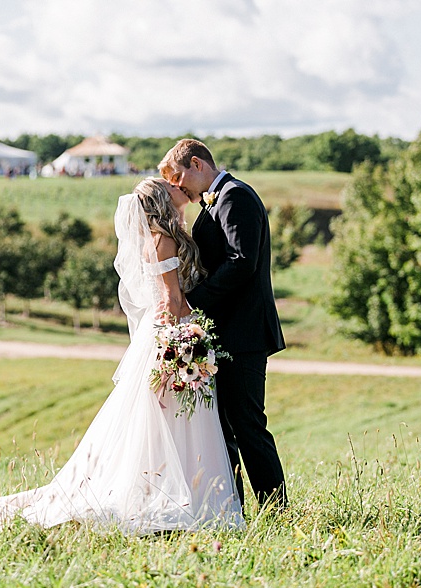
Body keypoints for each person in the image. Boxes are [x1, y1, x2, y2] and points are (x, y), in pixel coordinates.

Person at [0, 178, 243, 539]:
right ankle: (173, 498)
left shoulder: (164, 237)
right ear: (163, 201)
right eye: (171, 188)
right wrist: (186, 338)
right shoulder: (162, 241)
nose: (179, 189)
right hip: (170, 332)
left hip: (168, 330)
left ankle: (178, 494)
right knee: (165, 416)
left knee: (167, 417)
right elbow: (171, 301)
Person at [160, 139, 287, 509]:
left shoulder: (234, 196)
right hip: (224, 332)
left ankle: (275, 509)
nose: (180, 186)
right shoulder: (218, 199)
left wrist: (192, 302)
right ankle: (232, 507)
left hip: (243, 333)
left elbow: (241, 262)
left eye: (181, 176)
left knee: (248, 424)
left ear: (197, 164)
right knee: (223, 428)